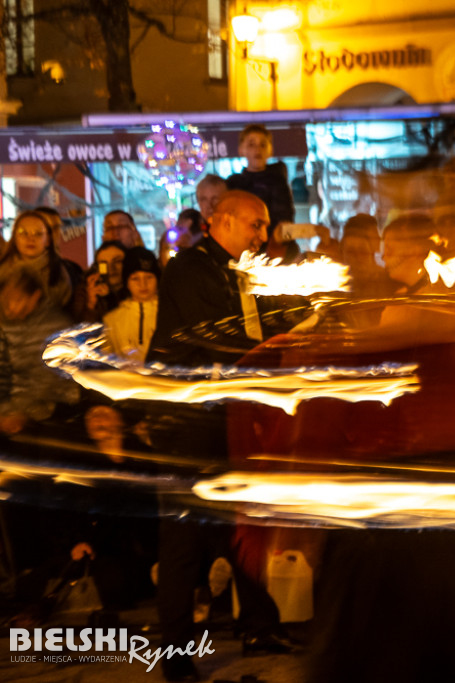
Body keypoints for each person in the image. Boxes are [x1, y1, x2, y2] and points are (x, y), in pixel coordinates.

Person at [147, 190, 289, 682]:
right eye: (255, 225)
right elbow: (217, 337)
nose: (262, 235)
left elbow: (265, 324)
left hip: (227, 413)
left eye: (265, 226)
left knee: (242, 525)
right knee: (183, 540)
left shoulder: (244, 271)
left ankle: (258, 625)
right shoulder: (189, 269)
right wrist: (277, 352)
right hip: (187, 420)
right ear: (220, 221)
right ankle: (175, 653)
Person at [0, 268, 79, 435]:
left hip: (52, 409)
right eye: (5, 299)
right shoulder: (4, 322)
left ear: (35, 297)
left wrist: (18, 412)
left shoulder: (55, 326)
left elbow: (46, 380)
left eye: (17, 299)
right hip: (12, 408)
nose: (9, 307)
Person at [226, 124, 298, 262]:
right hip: (240, 253)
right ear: (241, 150)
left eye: (263, 145)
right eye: (251, 144)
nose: (257, 149)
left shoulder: (278, 182)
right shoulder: (233, 184)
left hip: (274, 253)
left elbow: (285, 219)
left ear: (270, 150)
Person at [0, 210, 73, 310]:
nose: (30, 238)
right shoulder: (3, 270)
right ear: (14, 237)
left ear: (48, 240)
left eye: (38, 234)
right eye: (23, 232)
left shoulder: (58, 273)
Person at [103, 247, 160, 363]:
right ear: (127, 283)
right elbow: (106, 359)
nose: (143, 284)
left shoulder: (169, 314)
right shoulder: (112, 320)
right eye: (135, 279)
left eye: (149, 277)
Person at [72, 241, 127, 323]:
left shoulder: (139, 286)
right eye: (104, 264)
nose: (111, 268)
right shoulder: (85, 291)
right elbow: (83, 329)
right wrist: (91, 304)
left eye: (117, 261)